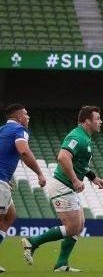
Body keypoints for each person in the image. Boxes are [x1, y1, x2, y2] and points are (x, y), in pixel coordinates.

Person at [22, 106, 103, 272]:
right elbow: (62, 156)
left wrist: (93, 178)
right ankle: (32, 242)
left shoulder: (85, 138)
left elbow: (79, 163)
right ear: (87, 121)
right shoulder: (77, 136)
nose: (100, 121)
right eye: (97, 118)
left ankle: (61, 264)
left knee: (79, 225)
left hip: (67, 187)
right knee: (73, 227)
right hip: (62, 186)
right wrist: (75, 179)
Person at [0, 104, 47, 273]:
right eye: (26, 114)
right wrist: (40, 173)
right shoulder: (19, 130)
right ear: (19, 117)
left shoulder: (2, 130)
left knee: (9, 216)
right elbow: (24, 151)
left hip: (3, 179)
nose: (28, 117)